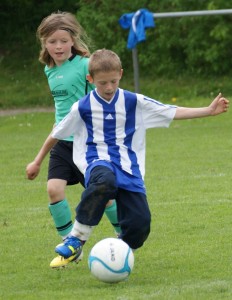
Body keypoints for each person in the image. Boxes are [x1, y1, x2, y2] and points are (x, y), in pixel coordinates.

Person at [27, 49, 229, 262]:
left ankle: (115, 254)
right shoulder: (83, 106)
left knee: (140, 227)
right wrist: (38, 160)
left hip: (129, 168)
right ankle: (76, 239)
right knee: (104, 180)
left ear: (121, 74)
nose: (109, 88)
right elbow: (58, 132)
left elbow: (170, 110)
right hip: (97, 161)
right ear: (90, 79)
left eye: (113, 81)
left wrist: (207, 110)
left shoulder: (134, 101)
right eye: (102, 83)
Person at [26, 13, 120, 268]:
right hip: (61, 143)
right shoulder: (49, 69)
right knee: (53, 190)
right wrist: (38, 159)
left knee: (107, 198)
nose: (58, 47)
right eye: (52, 41)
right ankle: (71, 246)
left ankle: (124, 236)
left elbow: (101, 99)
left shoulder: (85, 65)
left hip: (86, 144)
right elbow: (61, 112)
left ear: (72, 40)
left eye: (63, 41)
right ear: (44, 43)